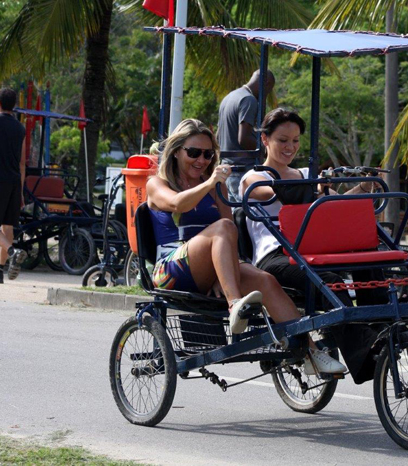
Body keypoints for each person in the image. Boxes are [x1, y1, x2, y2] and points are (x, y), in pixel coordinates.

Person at [146, 118, 344, 375]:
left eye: (208, 154)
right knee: (224, 228)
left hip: (206, 264)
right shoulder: (157, 184)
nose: (201, 160)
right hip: (171, 269)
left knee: (266, 280)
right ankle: (235, 305)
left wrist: (223, 270)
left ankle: (311, 353)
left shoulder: (217, 186)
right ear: (176, 152)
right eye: (193, 153)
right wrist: (210, 183)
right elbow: (177, 205)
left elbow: (228, 227)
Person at [241, 108, 387, 384]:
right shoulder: (254, 176)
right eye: (283, 140)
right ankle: (364, 354)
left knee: (369, 258)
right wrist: (313, 185)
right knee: (331, 283)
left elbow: (336, 203)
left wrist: (364, 185)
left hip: (314, 250)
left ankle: (382, 329)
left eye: (295, 141)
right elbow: (269, 192)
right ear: (265, 140)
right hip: (277, 256)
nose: (290, 147)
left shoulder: (308, 173)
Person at [217, 69, 276, 203]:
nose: (266, 95)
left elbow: (218, 135)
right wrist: (268, 150)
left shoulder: (230, 97)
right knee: (248, 217)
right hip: (242, 171)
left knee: (235, 217)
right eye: (269, 90)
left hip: (227, 170)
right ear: (266, 84)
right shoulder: (249, 100)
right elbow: (243, 139)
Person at [0, 88, 28, 284]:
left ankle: (13, 252)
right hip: (14, 181)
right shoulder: (20, 128)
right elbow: (22, 162)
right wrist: (20, 191)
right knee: (7, 226)